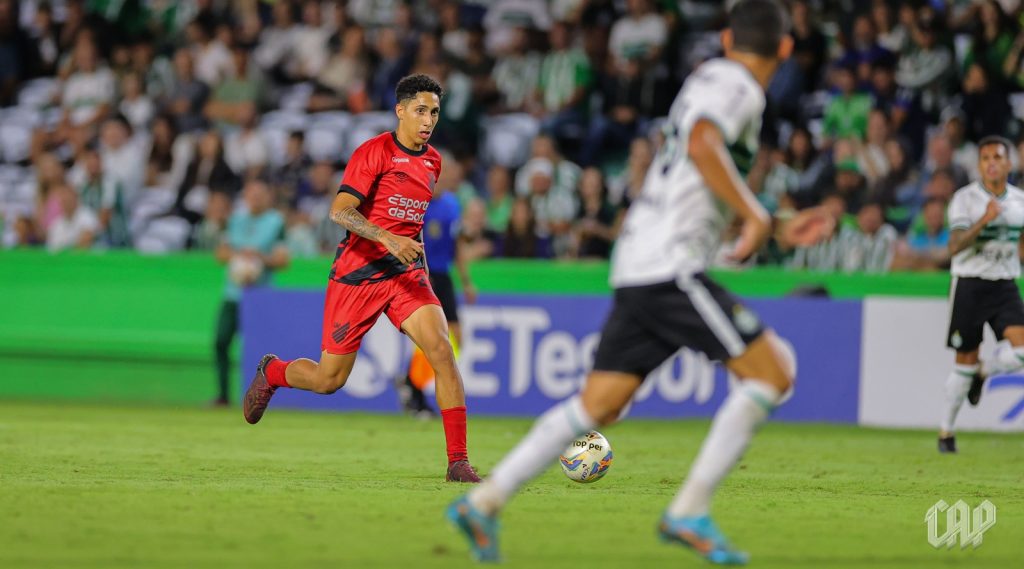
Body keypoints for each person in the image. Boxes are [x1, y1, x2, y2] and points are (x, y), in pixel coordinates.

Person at [448, 1, 796, 564]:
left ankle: (484, 502)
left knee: (600, 405)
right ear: (785, 48)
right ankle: (689, 511)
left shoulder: (708, 75)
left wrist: (771, 223)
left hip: (640, 259)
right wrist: (757, 215)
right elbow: (706, 144)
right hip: (669, 266)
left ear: (729, 37)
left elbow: (697, 169)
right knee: (776, 372)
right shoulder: (740, 87)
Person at [242, 74, 482, 483]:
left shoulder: (432, 162)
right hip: (357, 275)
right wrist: (388, 238)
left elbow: (414, 220)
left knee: (442, 350)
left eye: (435, 112)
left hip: (404, 275)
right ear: (401, 111)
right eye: (421, 111)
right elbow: (340, 210)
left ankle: (458, 462)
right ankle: (274, 372)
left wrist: (417, 264)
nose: (428, 120)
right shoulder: (374, 153)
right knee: (328, 380)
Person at [939, 136, 1024, 454]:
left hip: (1004, 284)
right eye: (985, 158)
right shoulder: (965, 200)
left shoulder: (1019, 201)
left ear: (1008, 164)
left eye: (997, 157)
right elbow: (955, 246)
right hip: (970, 284)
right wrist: (984, 220)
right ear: (979, 165)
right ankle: (946, 432)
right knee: (964, 361)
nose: (991, 163)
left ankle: (985, 372)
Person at [396, 175, 478, 417]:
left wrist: (466, 281)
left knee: (455, 338)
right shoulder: (419, 205)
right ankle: (415, 390)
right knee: (429, 335)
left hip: (443, 275)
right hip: (423, 275)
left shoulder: (452, 205)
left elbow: (458, 245)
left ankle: (411, 381)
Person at [214, 180, 289, 406]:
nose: (255, 198)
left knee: (260, 348)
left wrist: (260, 259)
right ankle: (224, 396)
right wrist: (240, 257)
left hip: (260, 296)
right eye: (251, 194)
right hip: (233, 294)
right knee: (220, 342)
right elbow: (220, 253)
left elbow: (283, 260)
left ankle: (261, 397)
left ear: (268, 196)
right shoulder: (235, 220)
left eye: (260, 194)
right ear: (245, 197)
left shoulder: (275, 221)